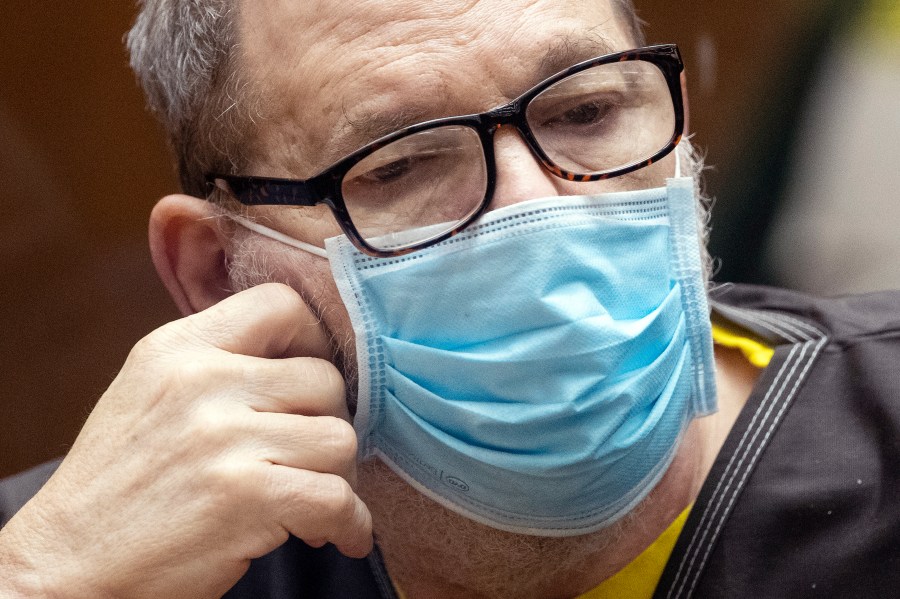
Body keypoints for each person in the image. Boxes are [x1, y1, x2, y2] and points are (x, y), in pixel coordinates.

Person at [1, 1, 898, 597]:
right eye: (402, 164)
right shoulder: (95, 549)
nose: (538, 202)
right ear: (215, 270)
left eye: (587, 112)